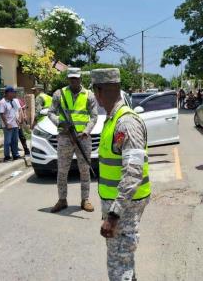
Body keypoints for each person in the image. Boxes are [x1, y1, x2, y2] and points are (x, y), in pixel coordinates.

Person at [91, 68, 150, 281]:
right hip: (120, 201)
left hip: (125, 204)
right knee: (122, 260)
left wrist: (114, 215)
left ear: (98, 91)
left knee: (119, 263)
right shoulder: (112, 118)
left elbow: (133, 173)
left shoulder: (125, 122)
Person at [48, 68, 98, 213]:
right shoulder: (59, 93)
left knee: (84, 170)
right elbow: (51, 112)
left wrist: (86, 131)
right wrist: (59, 122)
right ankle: (62, 200)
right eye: (71, 78)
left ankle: (85, 199)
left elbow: (94, 117)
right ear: (68, 79)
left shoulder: (89, 95)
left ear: (80, 78)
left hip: (83, 138)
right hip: (64, 137)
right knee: (62, 170)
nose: (73, 81)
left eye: (76, 78)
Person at [0, 86, 20, 162]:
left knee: (15, 141)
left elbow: (15, 111)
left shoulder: (13, 101)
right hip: (8, 125)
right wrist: (7, 124)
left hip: (15, 124)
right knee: (7, 142)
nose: (14, 94)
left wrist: (18, 119)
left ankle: (15, 155)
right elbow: (2, 114)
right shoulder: (3, 102)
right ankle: (7, 156)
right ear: (8, 93)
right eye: (13, 92)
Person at [13, 91, 30, 156]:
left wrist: (24, 117)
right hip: (13, 122)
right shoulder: (9, 101)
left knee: (21, 136)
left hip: (19, 121)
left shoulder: (18, 101)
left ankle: (26, 150)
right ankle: (15, 151)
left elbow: (23, 109)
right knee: (16, 137)